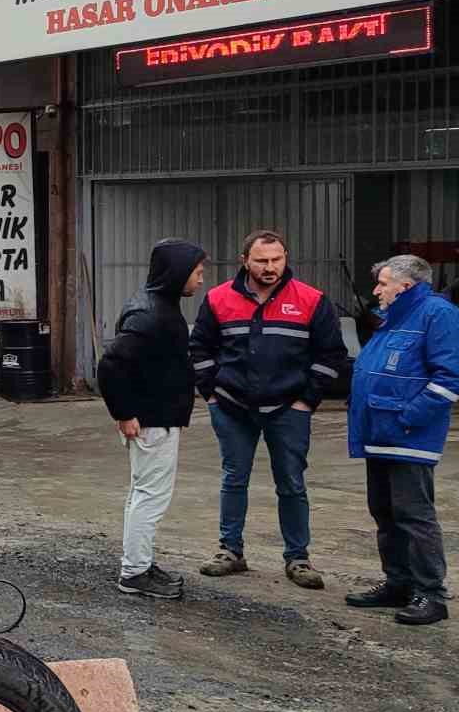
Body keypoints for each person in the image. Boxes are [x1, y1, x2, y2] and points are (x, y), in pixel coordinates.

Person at [189, 230, 348, 588]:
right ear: (244, 260)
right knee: (234, 478)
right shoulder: (218, 299)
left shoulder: (311, 300)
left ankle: (298, 558)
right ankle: (230, 551)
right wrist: (211, 394)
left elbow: (331, 355)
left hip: (289, 408)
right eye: (262, 260)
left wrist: (307, 399)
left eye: (277, 260)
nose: (271, 267)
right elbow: (199, 349)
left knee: (291, 482)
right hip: (231, 406)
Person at [345, 254, 459, 627]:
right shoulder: (394, 318)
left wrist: (408, 417)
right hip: (380, 434)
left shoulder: (437, 315)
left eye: (383, 283)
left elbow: (453, 377)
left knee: (414, 515)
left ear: (406, 286)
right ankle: (399, 583)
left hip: (406, 437)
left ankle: (430, 594)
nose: (376, 290)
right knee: (385, 512)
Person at [97, 239, 208, 599]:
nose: (201, 280)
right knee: (150, 497)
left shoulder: (157, 305)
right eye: (197, 272)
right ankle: (134, 573)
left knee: (141, 495)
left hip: (154, 416)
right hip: (153, 420)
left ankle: (139, 563)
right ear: (177, 272)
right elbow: (111, 364)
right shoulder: (152, 315)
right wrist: (124, 412)